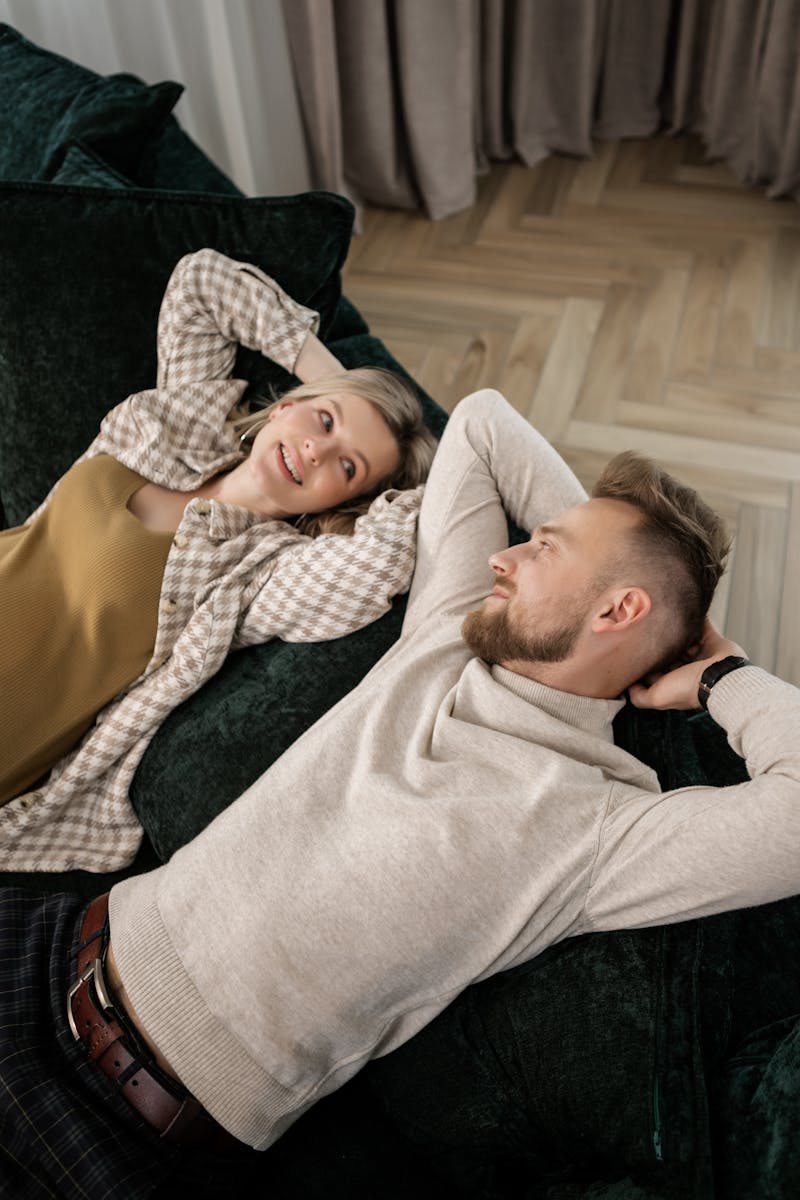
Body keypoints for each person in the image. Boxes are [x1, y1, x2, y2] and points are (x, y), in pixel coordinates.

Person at [2, 389, 799, 1198]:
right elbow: (484, 422)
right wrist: (654, 618)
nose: (507, 555)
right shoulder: (449, 637)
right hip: (45, 940)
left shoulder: (593, 827)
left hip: (113, 1134)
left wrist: (720, 672)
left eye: (544, 549)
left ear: (616, 608)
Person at [0, 247, 436, 872]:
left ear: (352, 499)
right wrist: (335, 382)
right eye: (322, 420)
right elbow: (202, 283)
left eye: (347, 466)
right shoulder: (184, 420)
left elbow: (382, 563)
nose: (315, 451)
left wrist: (417, 464)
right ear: (285, 406)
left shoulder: (260, 572)